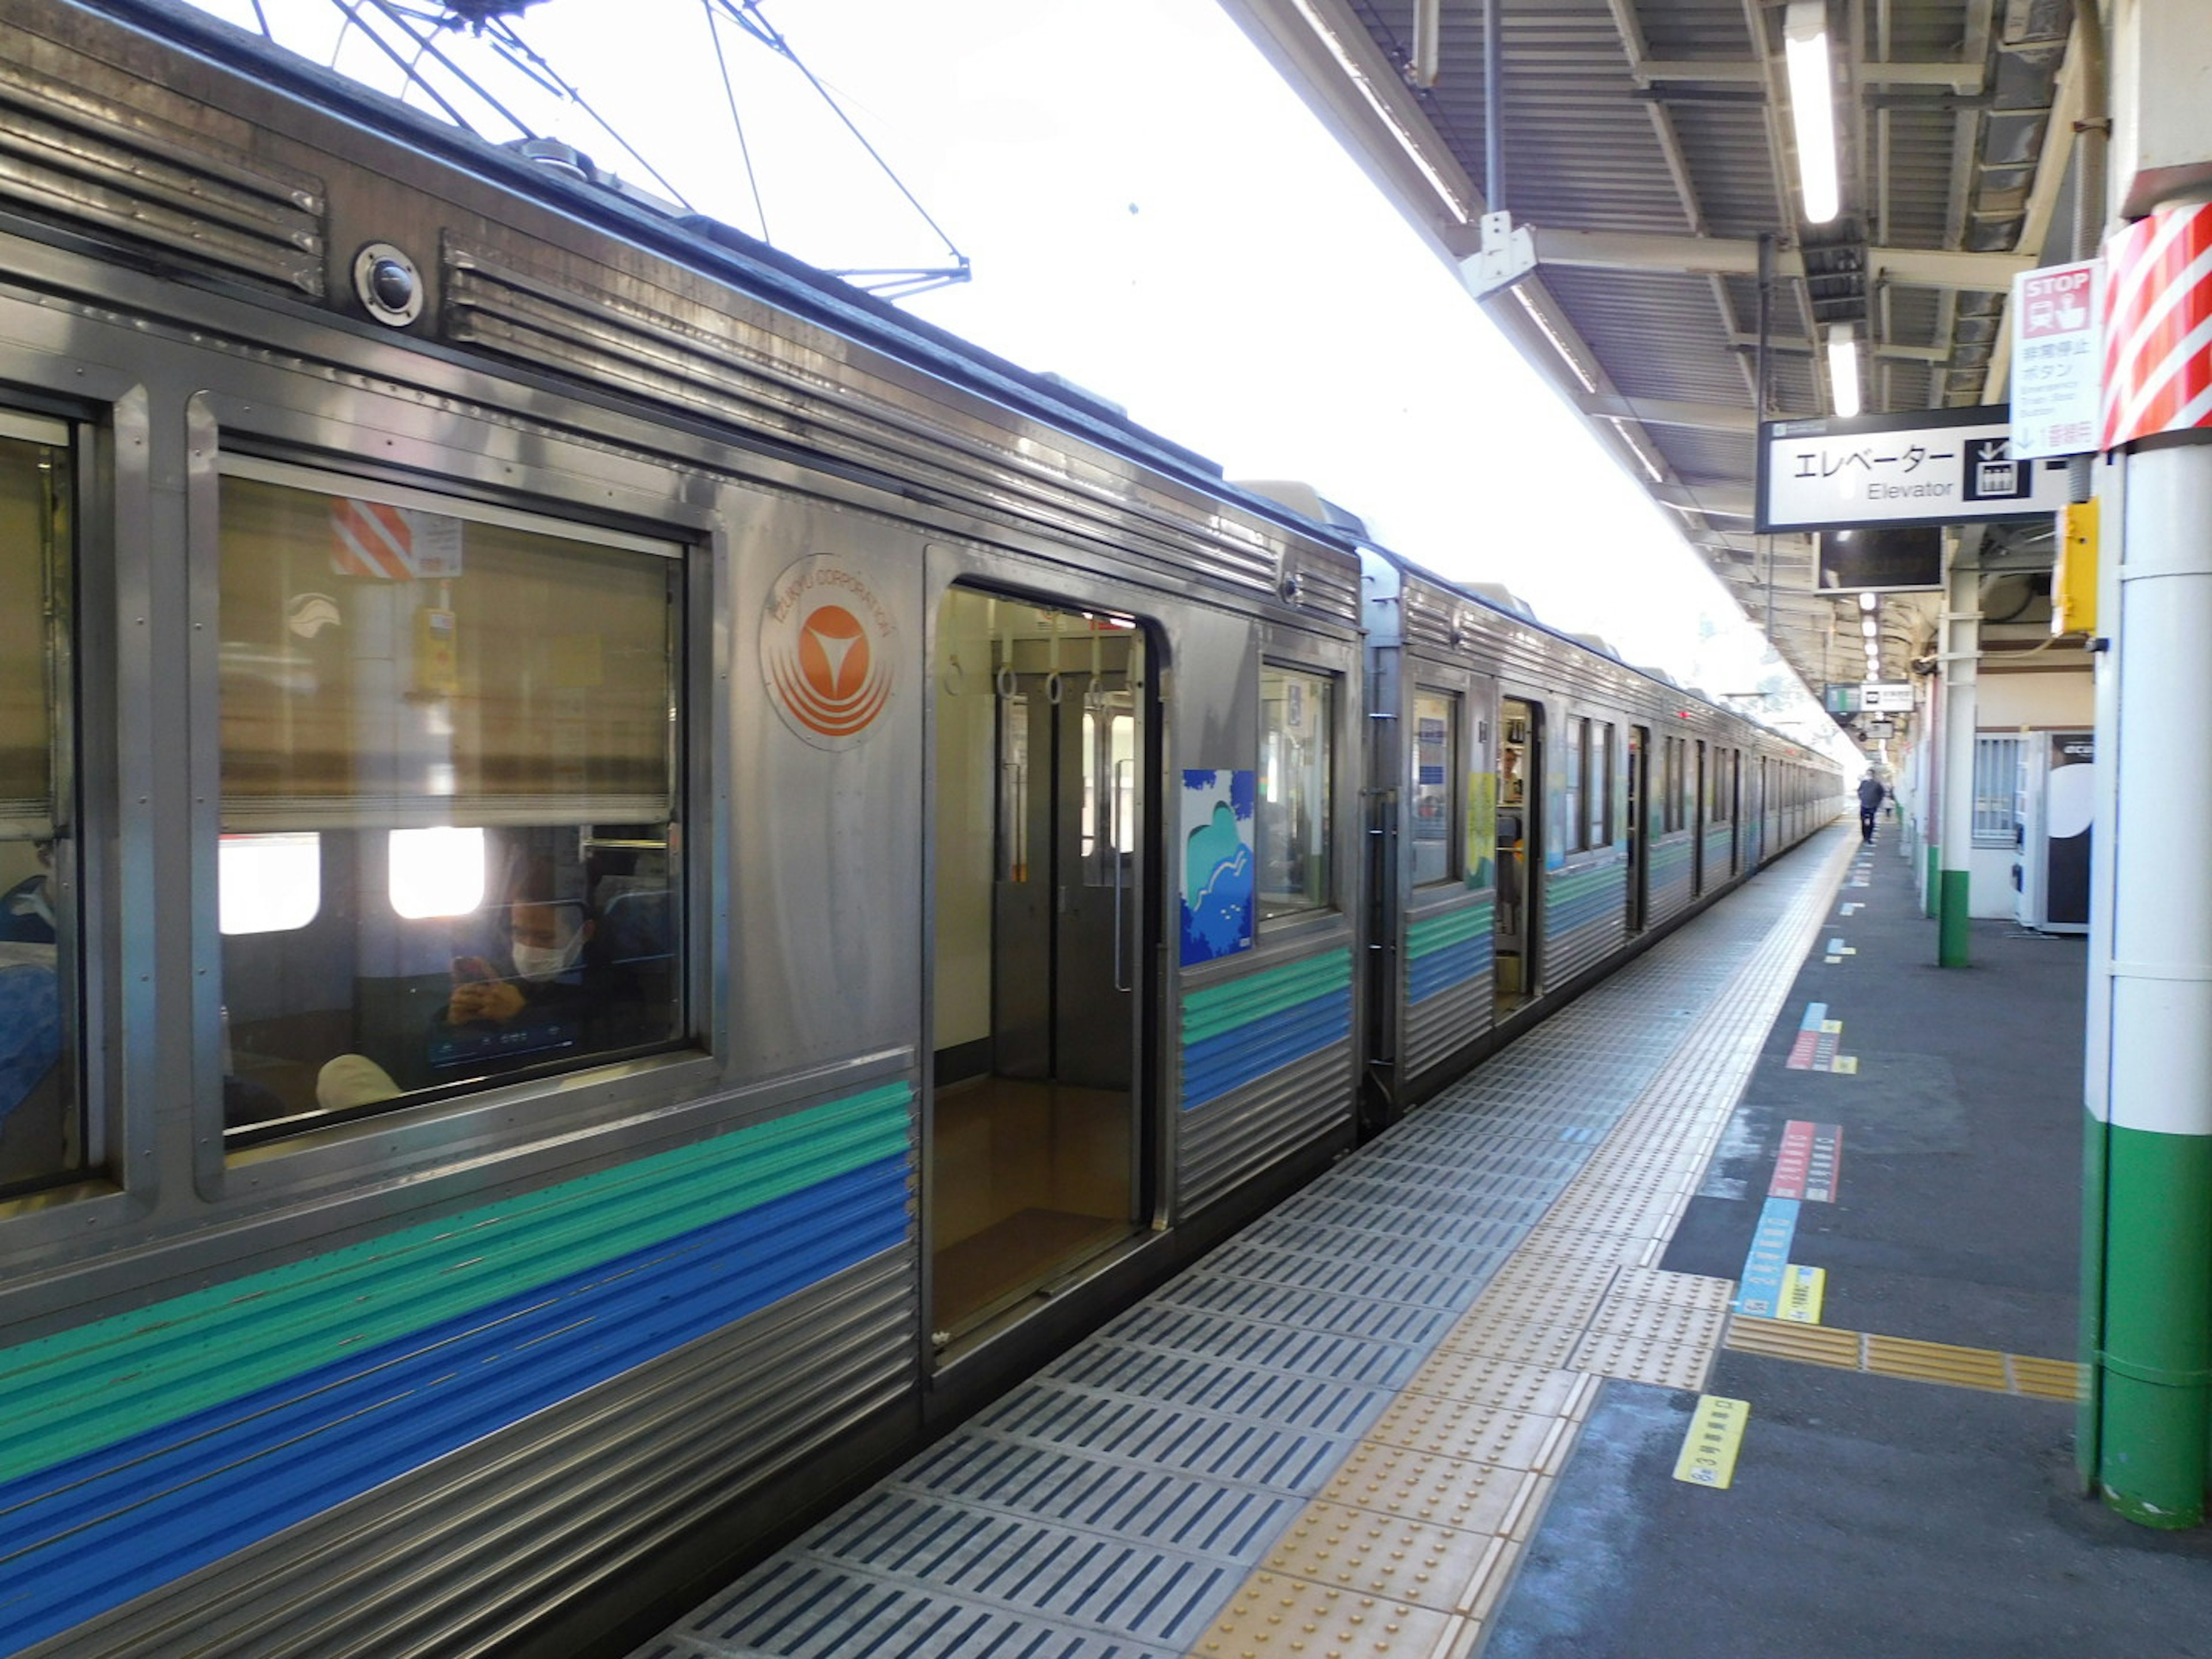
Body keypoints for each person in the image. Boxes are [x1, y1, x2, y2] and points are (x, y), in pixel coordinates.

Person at [1857, 772, 1887, 842]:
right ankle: (1865, 836)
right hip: (1864, 805)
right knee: (1863, 822)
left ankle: (1869, 837)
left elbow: (1882, 793)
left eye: (1870, 774)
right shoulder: (1863, 783)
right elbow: (1859, 791)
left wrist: (1877, 802)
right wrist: (1862, 798)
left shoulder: (1877, 784)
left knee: (1871, 822)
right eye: (1868, 774)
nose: (1869, 776)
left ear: (1874, 775)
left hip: (1873, 806)